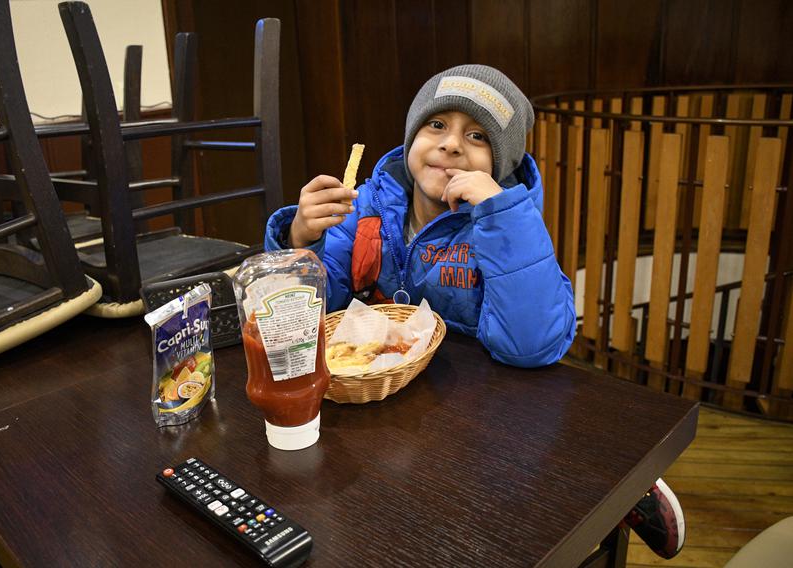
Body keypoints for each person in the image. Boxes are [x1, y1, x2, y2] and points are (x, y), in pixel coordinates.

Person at [263, 64, 684, 558]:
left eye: (477, 135)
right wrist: (298, 241)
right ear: (412, 135)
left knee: (522, 494)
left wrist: (501, 215)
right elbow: (308, 313)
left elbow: (531, 346)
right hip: (392, 399)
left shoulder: (505, 222)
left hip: (493, 405)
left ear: (500, 165)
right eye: (436, 125)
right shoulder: (366, 209)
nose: (451, 145)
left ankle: (617, 484)